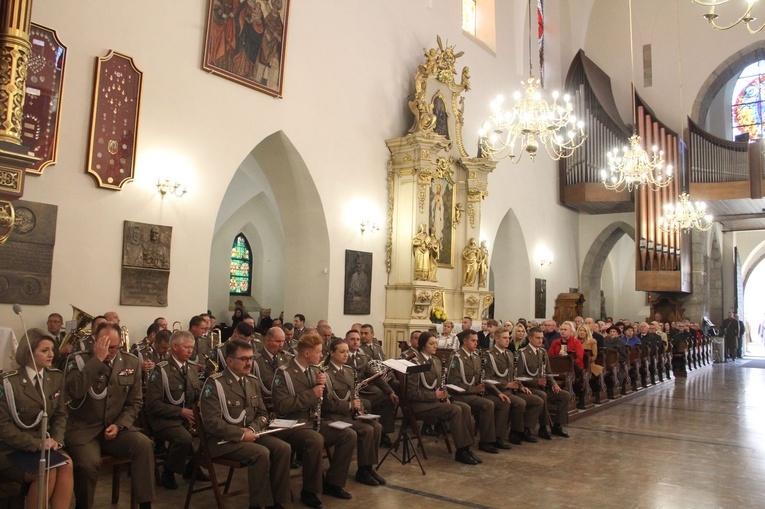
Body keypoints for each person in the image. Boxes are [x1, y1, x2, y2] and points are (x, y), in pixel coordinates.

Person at [64, 322, 154, 509]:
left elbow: (135, 402)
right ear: (96, 342)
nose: (112, 351)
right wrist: (97, 360)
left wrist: (120, 424)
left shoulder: (130, 362)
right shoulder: (78, 360)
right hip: (84, 429)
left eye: (116, 347)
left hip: (115, 427)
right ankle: (84, 506)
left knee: (143, 444)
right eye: (107, 346)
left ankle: (145, 504)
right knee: (88, 464)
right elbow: (74, 391)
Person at [200, 338, 291, 509]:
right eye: (244, 359)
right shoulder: (215, 383)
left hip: (250, 434)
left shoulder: (252, 381)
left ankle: (278, 501)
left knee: (283, 448)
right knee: (261, 453)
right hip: (222, 441)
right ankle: (258, 505)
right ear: (229, 361)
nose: (249, 363)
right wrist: (241, 434)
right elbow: (211, 423)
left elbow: (263, 413)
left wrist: (251, 429)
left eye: (250, 358)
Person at [272, 332, 356, 506]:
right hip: (294, 424)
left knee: (348, 435)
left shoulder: (316, 370)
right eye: (318, 352)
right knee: (315, 440)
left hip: (314, 421)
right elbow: (281, 406)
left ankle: (333, 483)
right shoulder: (284, 373)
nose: (322, 356)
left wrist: (324, 388)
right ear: (307, 353)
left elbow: (327, 403)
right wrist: (311, 394)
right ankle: (310, 490)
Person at [0, 328, 73, 509]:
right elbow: (3, 426)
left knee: (67, 464)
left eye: (52, 349)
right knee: (47, 472)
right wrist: (37, 444)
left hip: (46, 445)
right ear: (28, 352)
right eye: (44, 350)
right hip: (12, 449)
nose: (51, 354)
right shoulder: (9, 382)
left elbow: (60, 415)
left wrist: (56, 440)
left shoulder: (55, 377)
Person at [145, 330, 206, 489]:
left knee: (212, 432)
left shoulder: (191, 367)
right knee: (184, 438)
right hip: (164, 419)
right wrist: (179, 412)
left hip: (187, 417)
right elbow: (152, 404)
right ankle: (169, 471)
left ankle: (192, 467)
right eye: (186, 347)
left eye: (192, 347)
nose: (190, 351)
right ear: (175, 347)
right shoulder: (160, 370)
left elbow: (196, 393)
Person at [407, 332, 481, 465]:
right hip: (421, 405)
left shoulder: (436, 361)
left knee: (465, 407)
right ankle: (461, 451)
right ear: (423, 345)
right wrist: (434, 396)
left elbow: (441, 385)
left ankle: (467, 448)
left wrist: (446, 396)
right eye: (431, 344)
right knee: (455, 410)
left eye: (436, 343)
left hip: (435, 402)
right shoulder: (415, 363)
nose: (435, 346)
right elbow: (411, 393)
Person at [323, 338, 386, 487]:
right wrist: (349, 405)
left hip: (349, 414)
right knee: (366, 429)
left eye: (347, 352)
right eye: (342, 352)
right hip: (334, 417)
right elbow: (327, 404)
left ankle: (366, 468)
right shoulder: (325, 373)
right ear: (332, 353)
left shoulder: (349, 371)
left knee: (376, 426)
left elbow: (354, 394)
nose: (346, 355)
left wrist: (359, 409)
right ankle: (351, 475)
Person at [447, 330, 510, 453]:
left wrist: (498, 393)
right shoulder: (457, 357)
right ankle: (485, 442)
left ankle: (497, 437)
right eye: (473, 340)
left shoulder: (476, 356)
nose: (476, 343)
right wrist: (475, 389)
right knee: (487, 404)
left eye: (477, 341)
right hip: (461, 395)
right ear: (465, 341)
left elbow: (483, 378)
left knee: (502, 401)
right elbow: (454, 384)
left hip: (475, 394)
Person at [485, 327, 544, 445]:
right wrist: (506, 385)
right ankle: (503, 436)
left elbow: (514, 375)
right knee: (517, 402)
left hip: (512, 390)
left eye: (508, 338)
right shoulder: (489, 355)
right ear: (496, 338)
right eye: (504, 338)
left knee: (537, 401)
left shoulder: (509, 354)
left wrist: (521, 386)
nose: (507, 341)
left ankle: (523, 430)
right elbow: (488, 379)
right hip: (495, 391)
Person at [345, 330, 398, 447]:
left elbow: (375, 377)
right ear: (346, 341)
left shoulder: (362, 357)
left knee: (387, 399)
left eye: (358, 340)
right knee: (367, 403)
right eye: (352, 339)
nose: (355, 342)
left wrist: (390, 392)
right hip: (347, 394)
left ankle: (383, 434)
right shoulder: (342, 355)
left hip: (362, 391)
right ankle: (365, 436)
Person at [517, 327, 571, 440]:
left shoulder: (543, 352)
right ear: (530, 338)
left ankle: (557, 425)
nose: (540, 340)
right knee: (542, 396)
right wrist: (536, 381)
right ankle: (541, 427)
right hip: (529, 388)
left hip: (543, 387)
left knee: (564, 395)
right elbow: (519, 376)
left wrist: (554, 384)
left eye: (542, 338)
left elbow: (548, 373)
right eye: (537, 338)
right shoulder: (522, 354)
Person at [251, 326, 293, 412]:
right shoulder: (255, 361)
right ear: (267, 341)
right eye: (277, 341)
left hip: (284, 406)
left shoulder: (287, 358)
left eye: (283, 341)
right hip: (264, 406)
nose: (281, 345)